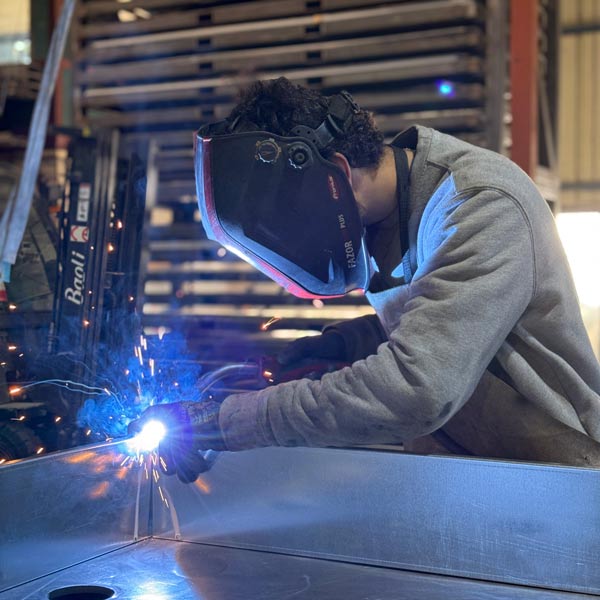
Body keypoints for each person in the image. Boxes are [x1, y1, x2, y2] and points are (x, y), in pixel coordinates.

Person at [131, 77, 600, 483]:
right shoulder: (391, 216)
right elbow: (443, 317)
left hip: (559, 486)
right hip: (475, 480)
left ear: (333, 177)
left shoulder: (477, 206)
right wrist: (346, 344)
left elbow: (418, 389)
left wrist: (227, 422)